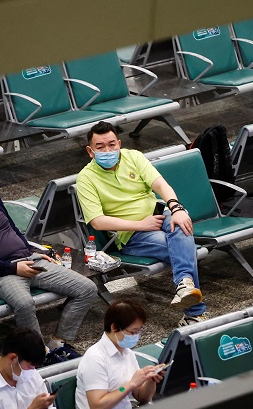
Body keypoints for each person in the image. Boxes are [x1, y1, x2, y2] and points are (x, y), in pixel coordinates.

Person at [0, 152, 99, 361]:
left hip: (30, 260)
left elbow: (12, 229)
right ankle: (39, 355)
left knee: (87, 288)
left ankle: (58, 343)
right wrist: (13, 268)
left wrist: (35, 252)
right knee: (24, 304)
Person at [75, 121, 208, 326]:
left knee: (181, 223)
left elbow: (160, 184)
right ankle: (194, 311)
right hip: (132, 234)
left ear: (119, 143)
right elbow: (98, 221)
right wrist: (141, 225)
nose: (108, 150)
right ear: (90, 151)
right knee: (182, 246)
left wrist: (176, 208)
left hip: (161, 214)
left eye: (112, 145)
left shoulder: (134, 157)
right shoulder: (85, 178)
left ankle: (185, 287)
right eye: (100, 147)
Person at [75, 296, 164, 409]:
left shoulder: (127, 353)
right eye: (133, 332)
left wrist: (150, 381)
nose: (136, 336)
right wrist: (131, 384)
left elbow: (142, 398)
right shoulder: (95, 359)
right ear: (114, 327)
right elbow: (98, 407)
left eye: (139, 331)